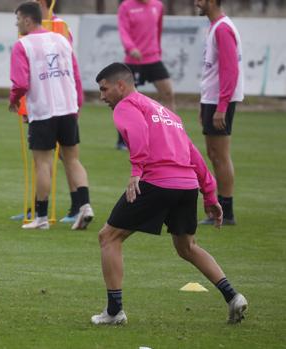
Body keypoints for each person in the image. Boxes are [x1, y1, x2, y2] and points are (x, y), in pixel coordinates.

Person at [91, 62, 247, 325]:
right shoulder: (165, 112)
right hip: (186, 186)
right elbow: (193, 153)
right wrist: (209, 194)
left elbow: (139, 134)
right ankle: (233, 297)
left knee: (108, 237)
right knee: (187, 247)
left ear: (121, 85)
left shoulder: (126, 105)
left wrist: (136, 170)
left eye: (105, 89)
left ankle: (115, 311)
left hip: (157, 182)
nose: (102, 96)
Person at [9, 1, 94, 231]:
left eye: (18, 19)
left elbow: (20, 82)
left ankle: (42, 217)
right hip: (67, 108)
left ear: (28, 20)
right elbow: (76, 75)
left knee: (43, 163)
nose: (17, 24)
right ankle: (85, 206)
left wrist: (13, 100)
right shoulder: (62, 39)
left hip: (43, 111)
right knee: (72, 159)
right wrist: (78, 104)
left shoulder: (22, 44)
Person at [196, 0, 243, 226]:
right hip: (211, 100)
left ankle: (227, 210)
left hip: (219, 101)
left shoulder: (223, 28)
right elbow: (212, 70)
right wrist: (203, 104)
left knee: (220, 155)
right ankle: (222, 207)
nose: (196, 2)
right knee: (213, 154)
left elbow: (230, 70)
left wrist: (221, 106)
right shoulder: (215, 26)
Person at [116, 0, 175, 150]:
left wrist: (158, 51)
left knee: (168, 93)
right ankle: (123, 140)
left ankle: (171, 134)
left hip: (153, 58)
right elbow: (123, 31)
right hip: (133, 59)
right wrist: (131, 48)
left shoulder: (158, 6)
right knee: (128, 100)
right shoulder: (126, 7)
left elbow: (158, 30)